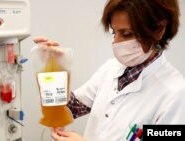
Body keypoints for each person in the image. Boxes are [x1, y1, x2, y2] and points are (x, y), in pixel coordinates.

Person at [33, 0, 185, 140]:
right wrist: (53, 66)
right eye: (114, 32)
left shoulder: (175, 94)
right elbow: (72, 108)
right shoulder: (110, 69)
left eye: (127, 34)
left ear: (158, 30)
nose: (116, 42)